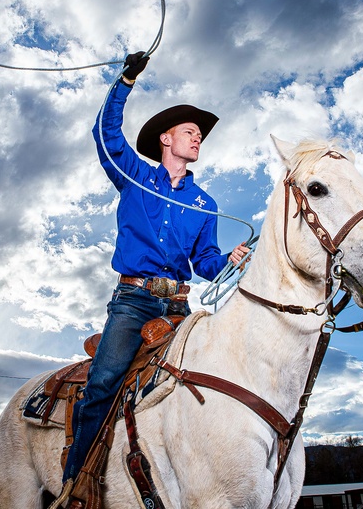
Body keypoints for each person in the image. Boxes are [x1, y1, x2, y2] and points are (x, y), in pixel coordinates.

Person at [58, 52, 250, 500]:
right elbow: (105, 136)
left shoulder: (204, 203)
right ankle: (75, 484)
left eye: (200, 135)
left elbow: (205, 262)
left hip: (181, 307)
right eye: (190, 132)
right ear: (166, 138)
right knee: (104, 382)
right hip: (134, 301)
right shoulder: (136, 176)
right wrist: (125, 81)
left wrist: (229, 261)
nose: (198, 138)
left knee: (208, 381)